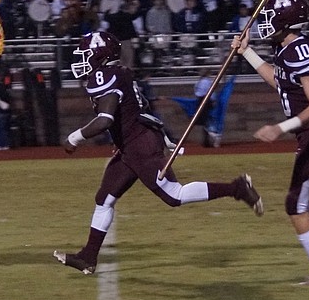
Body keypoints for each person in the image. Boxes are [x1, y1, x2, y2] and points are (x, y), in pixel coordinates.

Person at [53, 31, 263, 275]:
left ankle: (237, 188)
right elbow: (142, 110)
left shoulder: (105, 75)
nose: (82, 59)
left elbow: (105, 120)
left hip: (139, 147)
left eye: (86, 54)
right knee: (104, 199)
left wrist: (73, 138)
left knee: (175, 196)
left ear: (100, 55)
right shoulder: (120, 73)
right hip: (132, 146)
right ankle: (88, 256)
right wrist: (163, 137)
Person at [231, 0, 309, 285]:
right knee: (306, 203)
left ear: (286, 19)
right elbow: (279, 81)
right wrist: (247, 52)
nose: (265, 22)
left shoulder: (299, 49)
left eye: (271, 16)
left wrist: (280, 128)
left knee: (296, 205)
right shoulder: (286, 49)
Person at [193, 68, 217, 147]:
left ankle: (206, 140)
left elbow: (196, 92)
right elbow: (211, 91)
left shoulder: (198, 82)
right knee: (208, 121)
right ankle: (208, 141)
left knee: (205, 122)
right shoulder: (207, 82)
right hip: (206, 101)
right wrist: (213, 100)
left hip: (199, 101)